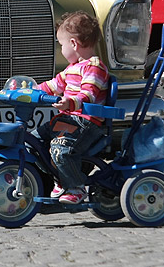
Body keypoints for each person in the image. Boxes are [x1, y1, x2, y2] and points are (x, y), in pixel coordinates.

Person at [33, 10, 109, 205]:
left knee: (61, 148)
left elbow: (88, 94)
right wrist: (30, 91)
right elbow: (53, 85)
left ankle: (76, 186)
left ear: (74, 44)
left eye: (61, 45)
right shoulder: (71, 68)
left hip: (86, 124)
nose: (61, 50)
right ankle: (61, 177)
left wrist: (69, 102)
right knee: (33, 141)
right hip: (67, 121)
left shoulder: (94, 67)